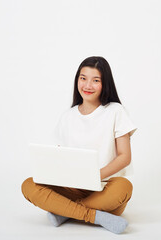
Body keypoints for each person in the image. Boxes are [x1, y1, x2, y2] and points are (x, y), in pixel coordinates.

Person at [21, 56, 137, 234]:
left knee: (124, 187)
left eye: (95, 80)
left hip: (104, 189)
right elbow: (61, 155)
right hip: (73, 187)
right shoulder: (68, 116)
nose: (87, 85)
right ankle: (94, 216)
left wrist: (94, 176)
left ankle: (65, 212)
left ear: (105, 83)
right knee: (28, 185)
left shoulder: (115, 111)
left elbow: (124, 156)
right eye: (83, 78)